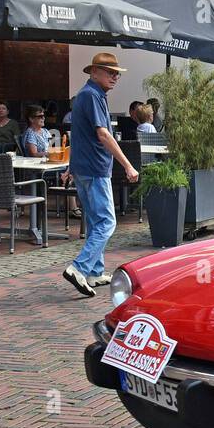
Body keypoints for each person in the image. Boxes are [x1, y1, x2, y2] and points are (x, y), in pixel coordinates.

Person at [63, 52, 139, 297]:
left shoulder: (89, 95)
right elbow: (103, 134)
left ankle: (95, 272)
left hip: (86, 168)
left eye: (116, 73)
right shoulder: (93, 95)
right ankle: (79, 267)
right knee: (107, 222)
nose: (114, 77)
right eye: (109, 72)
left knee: (97, 221)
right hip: (95, 169)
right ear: (93, 71)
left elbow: (79, 135)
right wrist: (127, 165)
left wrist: (71, 166)